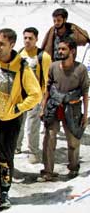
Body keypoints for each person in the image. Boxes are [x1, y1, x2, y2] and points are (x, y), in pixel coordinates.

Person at [0, 28, 42, 209]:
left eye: (1, 44)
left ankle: (4, 193)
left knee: (5, 158)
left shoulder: (21, 66)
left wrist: (18, 108)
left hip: (10, 121)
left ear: (12, 45)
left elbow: (36, 94)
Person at [39, 36, 89, 181]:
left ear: (72, 51)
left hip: (72, 108)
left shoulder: (80, 70)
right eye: (59, 49)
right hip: (54, 106)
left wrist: (85, 115)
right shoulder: (54, 66)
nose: (60, 51)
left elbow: (85, 92)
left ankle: (73, 168)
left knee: (73, 141)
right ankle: (48, 171)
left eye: (63, 49)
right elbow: (48, 88)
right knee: (49, 139)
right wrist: (43, 107)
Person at [15, 27, 52, 162]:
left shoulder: (43, 57)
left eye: (30, 38)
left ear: (36, 39)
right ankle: (16, 147)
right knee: (18, 124)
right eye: (25, 38)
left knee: (32, 127)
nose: (27, 41)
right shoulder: (19, 54)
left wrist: (44, 99)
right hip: (20, 97)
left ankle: (33, 151)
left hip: (35, 97)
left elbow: (48, 80)